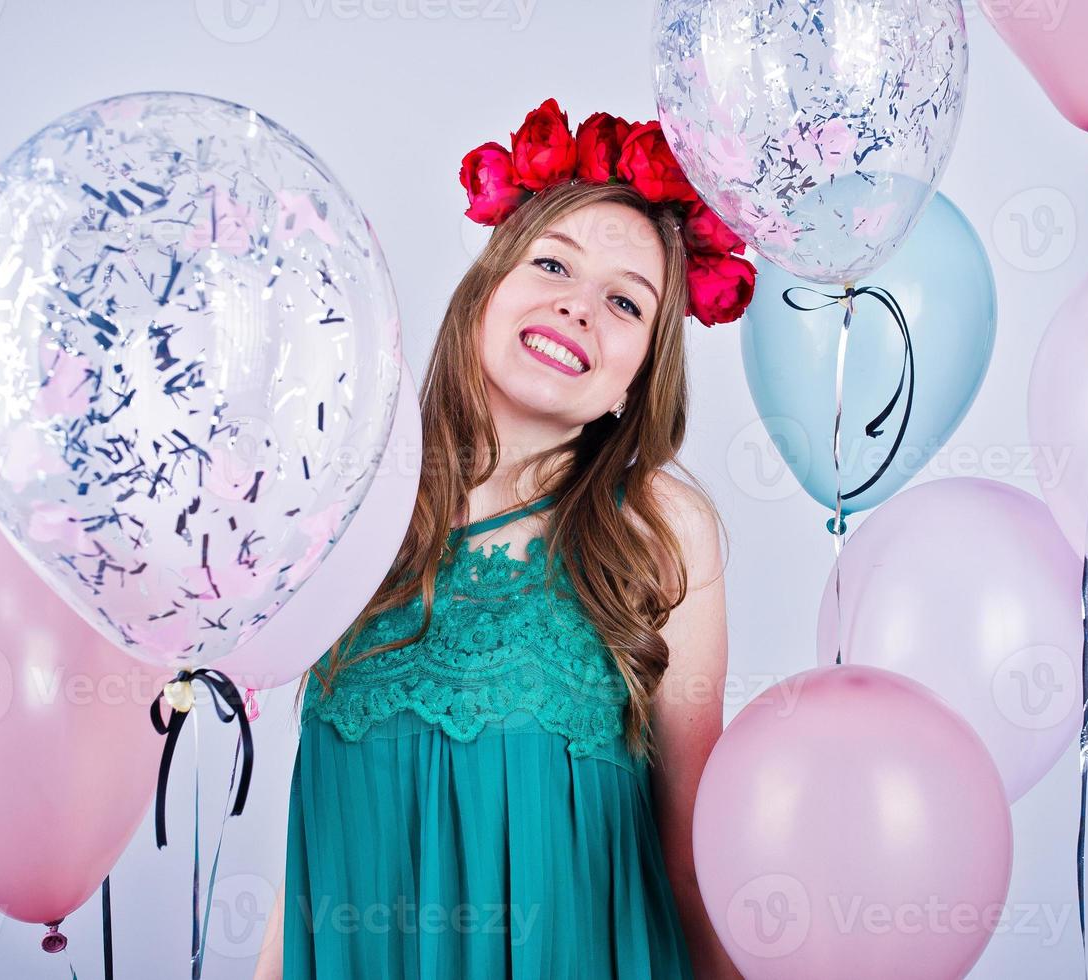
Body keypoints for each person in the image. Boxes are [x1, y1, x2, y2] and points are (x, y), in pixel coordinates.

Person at [253, 98, 756, 979]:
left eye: (624, 303)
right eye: (551, 263)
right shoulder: (346, 508)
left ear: (633, 386)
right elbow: (306, 868)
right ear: (484, 292)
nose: (576, 307)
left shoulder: (659, 530)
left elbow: (689, 856)